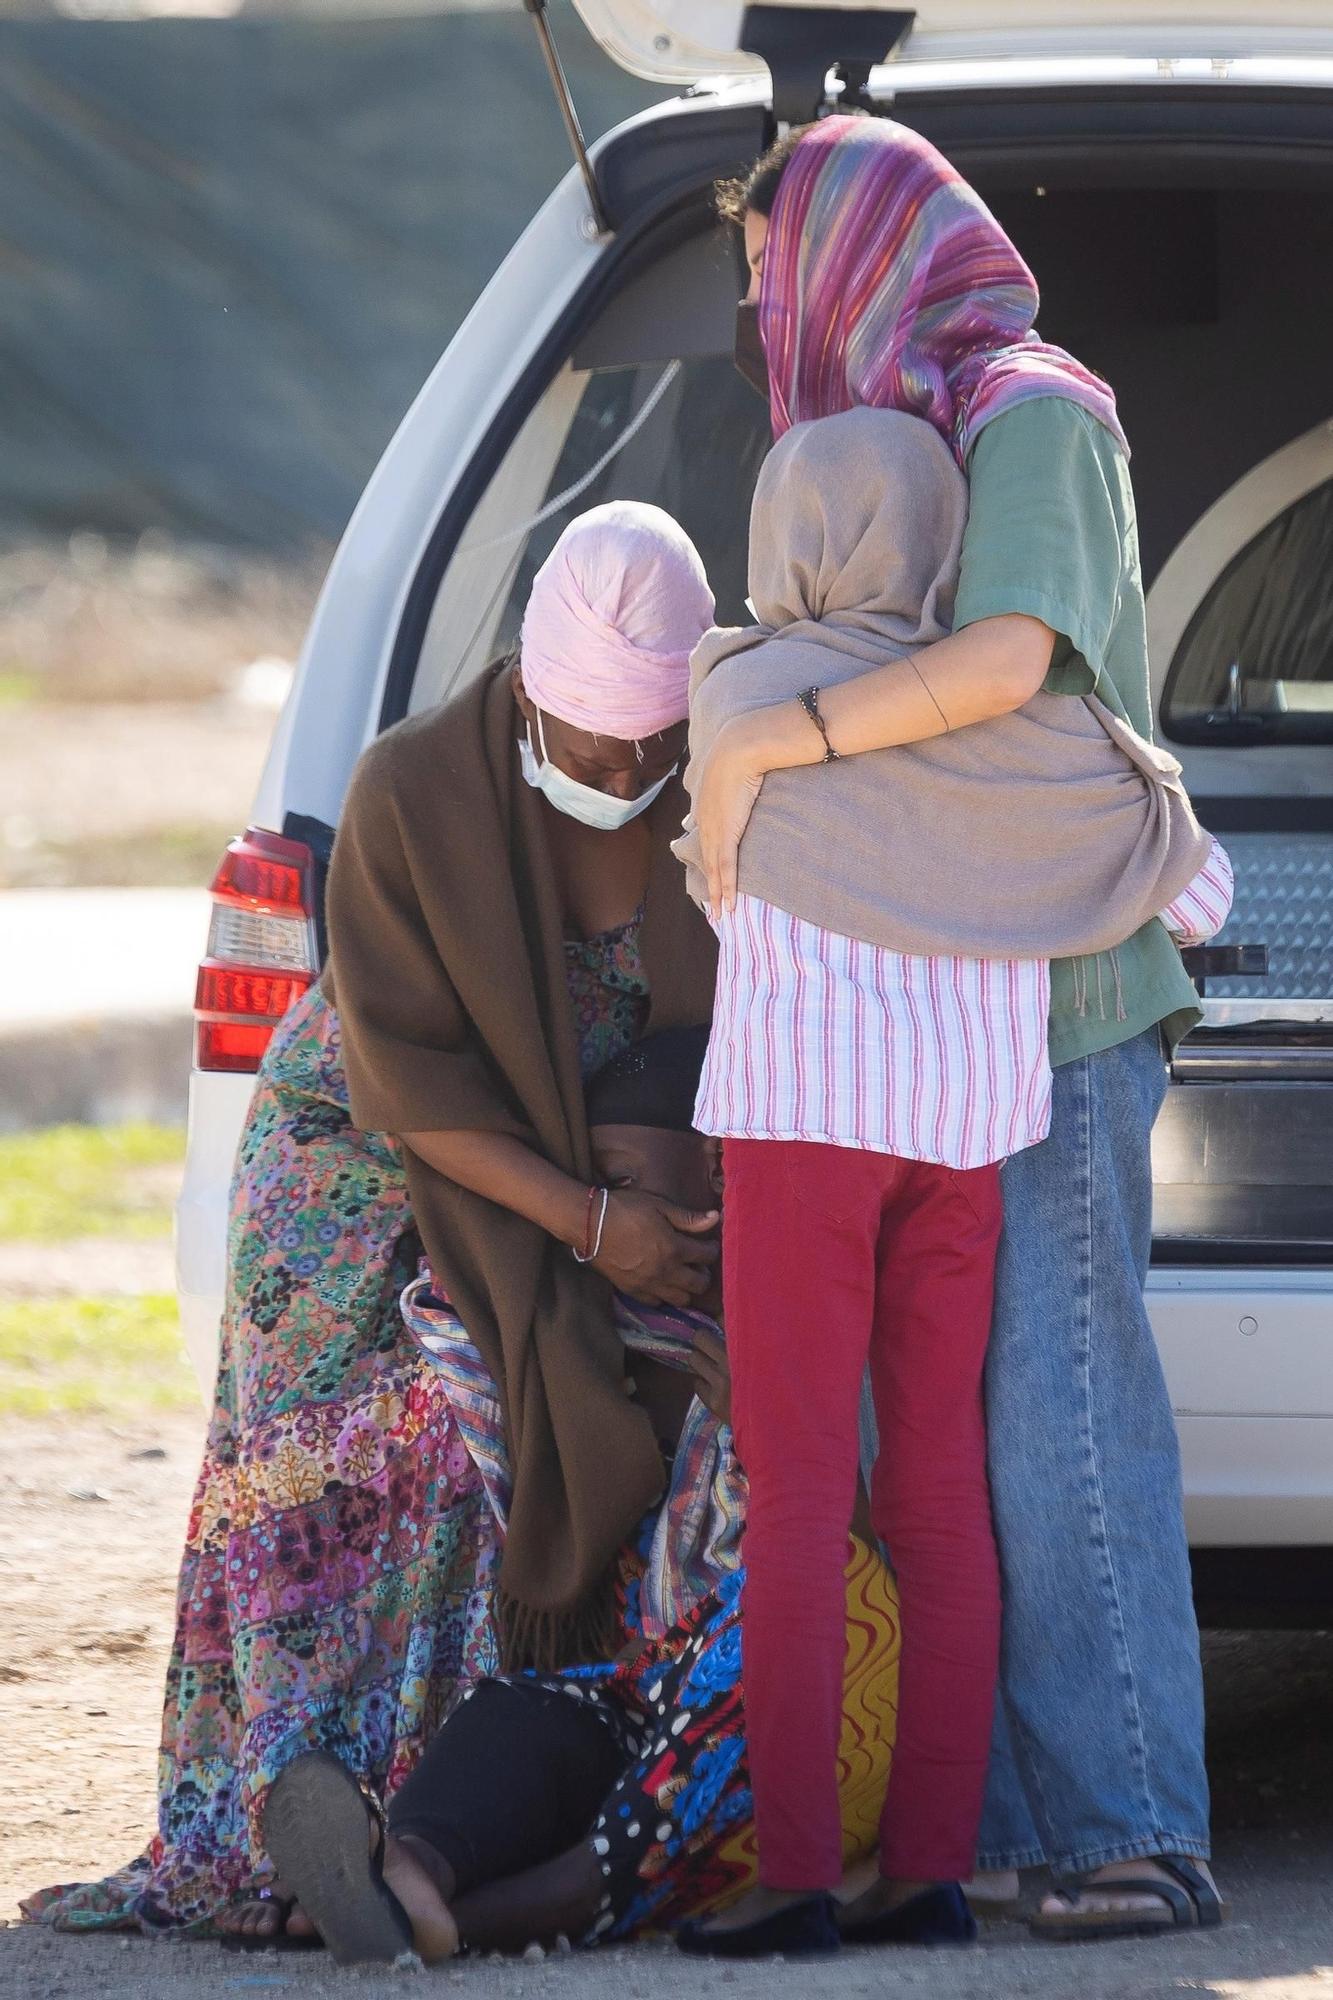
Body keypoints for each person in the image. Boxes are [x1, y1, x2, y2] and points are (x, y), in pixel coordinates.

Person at [22, 502, 720, 1944]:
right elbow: (412, 1089)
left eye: (649, 748)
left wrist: (619, 1199)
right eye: (591, 748)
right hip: (354, 1175)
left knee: (476, 1487)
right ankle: (277, 1827)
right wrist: (594, 1223)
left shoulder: (710, 795)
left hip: (542, 1186)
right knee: (341, 1477)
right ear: (531, 692)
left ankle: (404, 1832)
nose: (621, 774)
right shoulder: (416, 795)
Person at [692, 112, 1231, 1944]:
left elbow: (1008, 662)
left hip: (1062, 991)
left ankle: (1129, 1826)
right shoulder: (918, 430)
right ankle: (968, 1831)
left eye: (774, 274)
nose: (766, 315)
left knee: (1051, 1425)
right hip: (961, 1002)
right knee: (943, 1446)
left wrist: (767, 737)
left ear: (849, 255)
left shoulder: (1029, 411)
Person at [253, 1029, 901, 1965]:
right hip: (636, 1699)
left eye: (623, 1181)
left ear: (719, 1177)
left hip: (803, 1715)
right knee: (528, 1705)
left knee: (779, 1632)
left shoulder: (809, 1317)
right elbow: (445, 1325)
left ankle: (472, 1921)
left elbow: (874, 1572)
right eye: (590, 1188)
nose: (606, 1215)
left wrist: (765, 1430)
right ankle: (408, 1868)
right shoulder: (582, 1338)